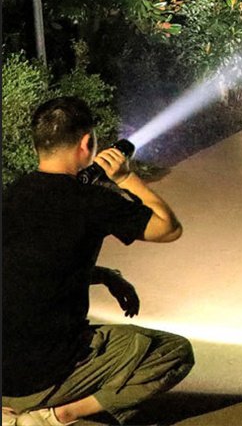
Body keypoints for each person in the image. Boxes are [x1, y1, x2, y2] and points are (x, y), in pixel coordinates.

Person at [2, 97, 194, 426]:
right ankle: (53, 415)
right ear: (86, 143)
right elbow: (168, 228)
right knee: (174, 351)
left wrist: (104, 275)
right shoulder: (92, 201)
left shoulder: (10, 195)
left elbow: (33, 265)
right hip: (41, 375)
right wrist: (126, 177)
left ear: (37, 145)